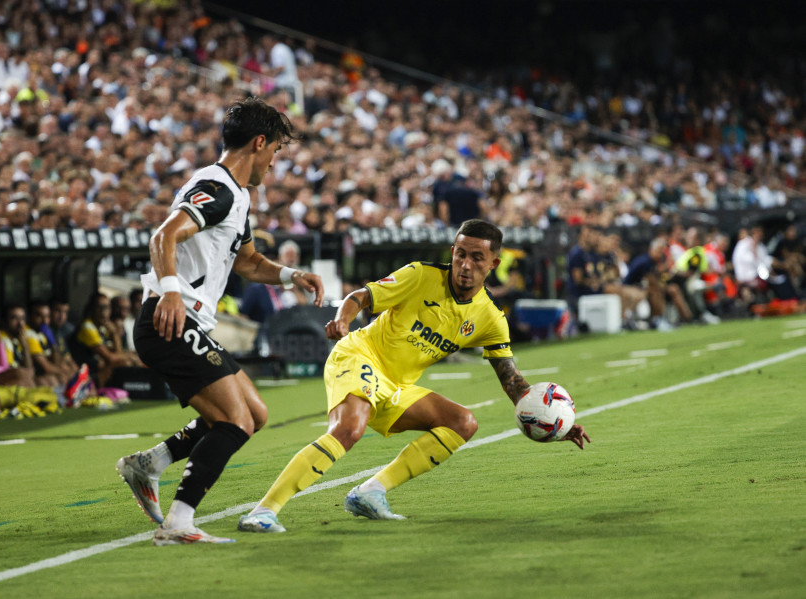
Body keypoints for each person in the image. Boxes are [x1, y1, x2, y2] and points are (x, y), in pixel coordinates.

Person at [237, 219, 590, 534]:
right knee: (349, 428)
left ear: (494, 264)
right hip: (360, 356)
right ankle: (264, 511)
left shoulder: (490, 317)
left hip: (396, 385)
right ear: (453, 251)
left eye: (477, 258)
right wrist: (343, 319)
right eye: (461, 254)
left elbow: (511, 380)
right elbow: (361, 296)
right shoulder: (421, 275)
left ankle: (370, 492)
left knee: (463, 423)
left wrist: (553, 423)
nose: (465, 265)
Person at [114, 97, 324, 545]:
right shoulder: (219, 186)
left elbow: (248, 261)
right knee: (236, 421)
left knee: (256, 413)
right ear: (259, 142)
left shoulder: (238, 196)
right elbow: (164, 234)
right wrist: (171, 290)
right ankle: (178, 521)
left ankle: (149, 464)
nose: (274, 161)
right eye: (275, 151)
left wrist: (291, 276)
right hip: (170, 319)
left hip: (186, 322)